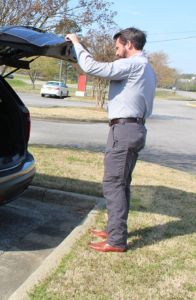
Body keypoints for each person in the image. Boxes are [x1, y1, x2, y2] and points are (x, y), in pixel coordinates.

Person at [65, 28, 156, 252]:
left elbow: (92, 67)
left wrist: (76, 43)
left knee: (114, 184)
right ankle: (114, 230)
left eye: (117, 47)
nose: (116, 53)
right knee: (121, 184)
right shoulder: (147, 68)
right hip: (132, 129)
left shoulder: (133, 64)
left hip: (124, 131)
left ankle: (116, 241)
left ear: (129, 44)